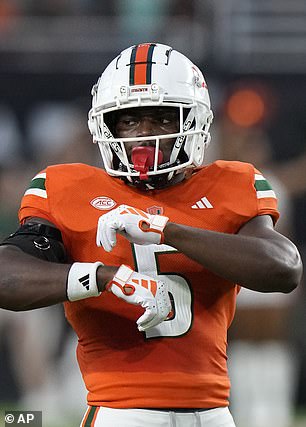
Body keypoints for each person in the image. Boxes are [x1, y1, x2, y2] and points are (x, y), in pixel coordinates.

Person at [0, 43, 302, 427]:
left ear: (194, 123)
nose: (144, 135)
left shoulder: (231, 183)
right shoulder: (66, 187)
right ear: (105, 125)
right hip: (119, 413)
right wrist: (104, 277)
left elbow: (284, 269)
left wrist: (164, 230)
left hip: (213, 415)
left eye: (161, 119)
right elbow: (6, 275)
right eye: (128, 120)